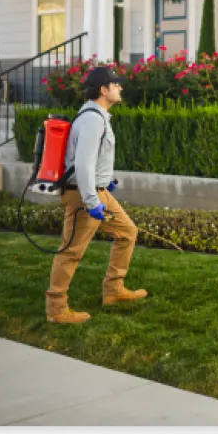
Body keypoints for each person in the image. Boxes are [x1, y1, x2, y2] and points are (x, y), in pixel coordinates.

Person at [45, 65, 147, 324]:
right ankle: (56, 308)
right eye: (116, 85)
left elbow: (93, 161)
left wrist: (105, 182)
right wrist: (91, 201)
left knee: (127, 232)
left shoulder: (97, 116)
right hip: (83, 196)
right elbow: (83, 165)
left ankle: (113, 289)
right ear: (103, 89)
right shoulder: (92, 119)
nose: (120, 87)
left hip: (97, 192)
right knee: (71, 251)